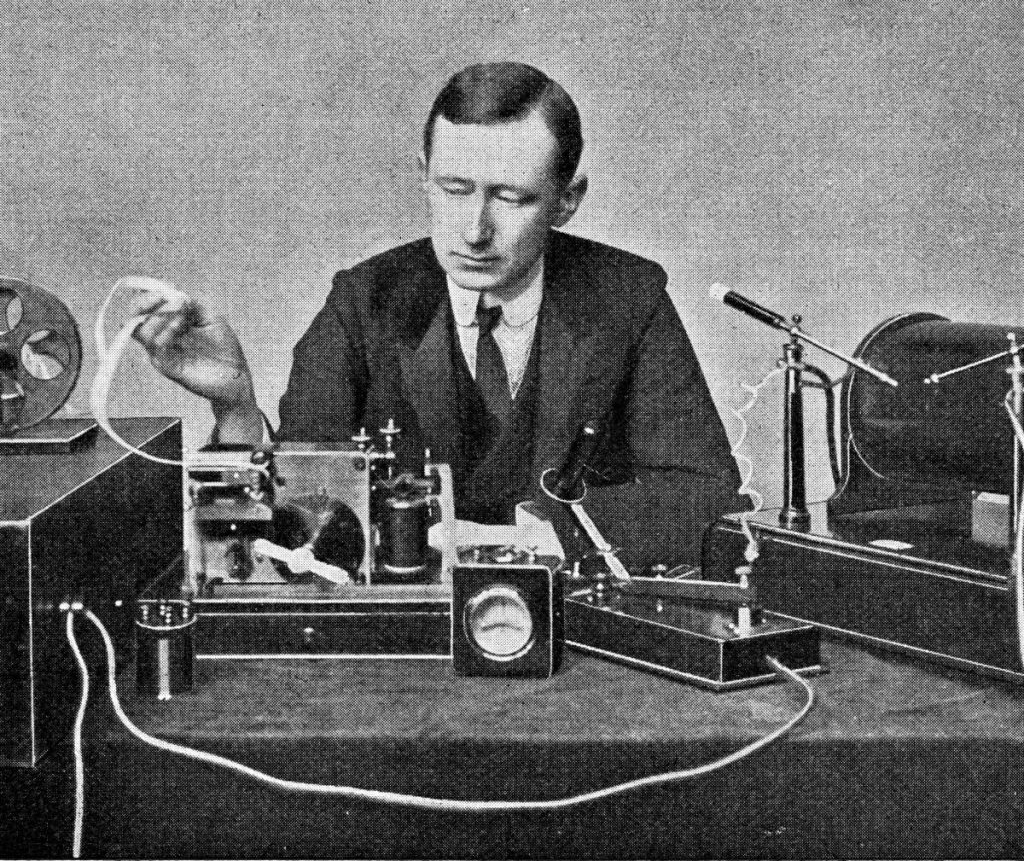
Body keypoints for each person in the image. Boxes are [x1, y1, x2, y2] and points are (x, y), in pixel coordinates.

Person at [133, 62, 744, 569]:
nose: (474, 230)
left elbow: (706, 495)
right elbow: (301, 503)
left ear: (567, 200)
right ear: (424, 177)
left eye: (511, 197)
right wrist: (235, 406)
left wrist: (532, 539)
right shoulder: (364, 301)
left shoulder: (627, 298)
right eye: (454, 190)